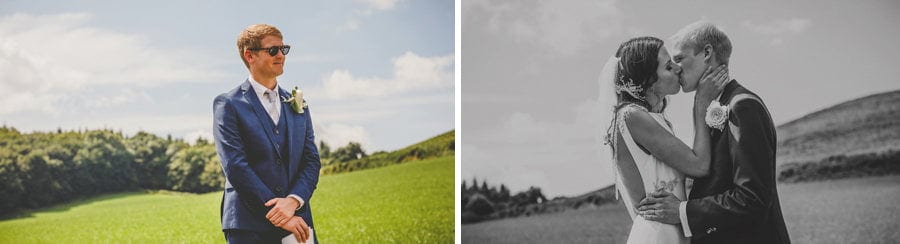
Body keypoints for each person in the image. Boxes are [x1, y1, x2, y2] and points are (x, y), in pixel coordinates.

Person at [636, 21, 791, 244]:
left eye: (680, 58)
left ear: (707, 52)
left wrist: (682, 211)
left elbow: (752, 198)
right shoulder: (715, 105)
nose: (676, 68)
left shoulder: (742, 105)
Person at [600, 35, 728, 244]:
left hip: (671, 230)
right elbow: (699, 166)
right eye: (668, 66)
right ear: (648, 81)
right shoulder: (633, 116)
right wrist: (701, 104)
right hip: (658, 234)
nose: (678, 68)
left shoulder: (649, 117)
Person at [213, 24, 321, 243]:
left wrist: (293, 201)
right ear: (250, 56)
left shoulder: (298, 103)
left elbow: (311, 160)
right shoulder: (229, 104)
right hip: (248, 225)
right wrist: (279, 214)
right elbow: (235, 166)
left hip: (297, 222)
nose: (281, 55)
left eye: (284, 49)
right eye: (273, 50)